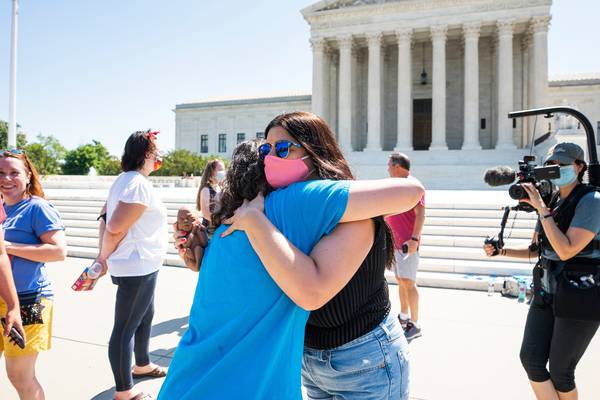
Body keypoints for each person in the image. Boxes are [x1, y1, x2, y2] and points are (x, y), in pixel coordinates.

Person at [161, 112, 422, 399]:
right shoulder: (271, 208)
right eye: (265, 149)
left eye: (283, 149)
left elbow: (411, 192)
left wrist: (253, 222)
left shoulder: (312, 201)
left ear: (314, 152)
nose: (270, 157)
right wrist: (212, 252)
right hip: (310, 358)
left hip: (365, 355)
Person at [484, 142, 600, 400]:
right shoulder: (552, 201)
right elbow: (537, 249)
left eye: (562, 165)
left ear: (579, 167)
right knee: (531, 361)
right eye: (550, 166)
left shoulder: (592, 200)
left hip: (581, 295)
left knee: (561, 372)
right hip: (547, 292)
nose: (555, 170)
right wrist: (501, 251)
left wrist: (542, 210)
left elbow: (566, 250)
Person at [96, 130, 169, 400]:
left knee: (145, 316)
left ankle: (142, 364)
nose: (159, 157)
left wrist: (102, 256)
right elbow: (114, 225)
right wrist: (101, 259)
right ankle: (125, 391)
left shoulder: (125, 180)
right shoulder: (136, 183)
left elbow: (104, 217)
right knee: (125, 327)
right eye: (157, 152)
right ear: (147, 154)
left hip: (142, 264)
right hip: (135, 265)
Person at [0, 148, 67, 400]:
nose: (6, 179)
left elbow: (59, 251)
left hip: (30, 300)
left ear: (27, 176)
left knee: (19, 375)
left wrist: (7, 247)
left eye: (14, 173)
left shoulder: (37, 208)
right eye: (1, 173)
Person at [386, 152, 425, 341]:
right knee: (401, 280)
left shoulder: (413, 185)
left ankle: (415, 324)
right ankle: (403, 317)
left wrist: (414, 240)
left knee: (409, 282)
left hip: (408, 244)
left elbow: (420, 213)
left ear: (398, 167)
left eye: (389, 165)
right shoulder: (397, 185)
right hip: (396, 243)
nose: (387, 168)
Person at [196, 159, 225, 230]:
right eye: (220, 170)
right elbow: (206, 214)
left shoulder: (219, 187)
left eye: (223, 170)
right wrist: (221, 222)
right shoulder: (206, 190)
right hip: (210, 230)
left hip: (219, 227)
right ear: (212, 172)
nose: (223, 172)